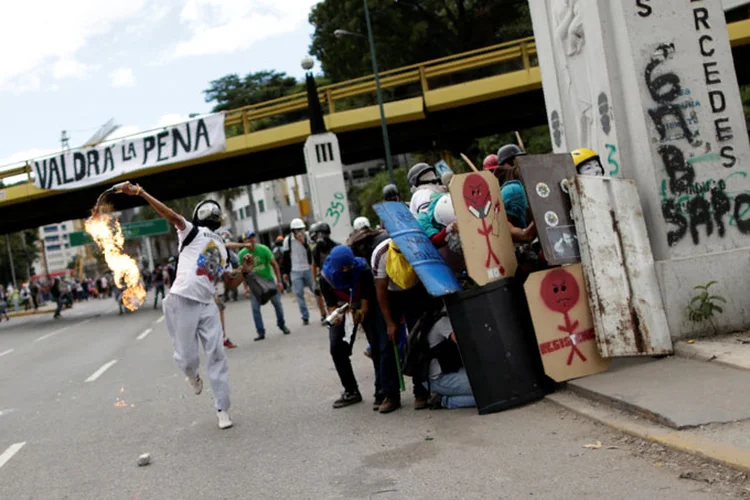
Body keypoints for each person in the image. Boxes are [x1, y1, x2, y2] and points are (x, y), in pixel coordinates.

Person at [119, 181, 248, 430]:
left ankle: (223, 409)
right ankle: (192, 375)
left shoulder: (222, 248)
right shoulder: (191, 232)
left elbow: (230, 283)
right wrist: (141, 192)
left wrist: (244, 271)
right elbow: (171, 215)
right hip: (181, 301)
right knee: (187, 359)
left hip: (208, 304)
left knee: (217, 356)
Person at [320, 246, 389, 410]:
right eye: (342, 269)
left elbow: (365, 303)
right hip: (343, 309)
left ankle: (382, 390)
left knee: (378, 345)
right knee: (337, 349)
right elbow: (330, 305)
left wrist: (360, 314)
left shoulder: (362, 269)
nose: (346, 271)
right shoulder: (326, 278)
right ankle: (351, 391)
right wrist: (336, 317)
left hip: (364, 306)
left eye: (348, 267)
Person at [371, 237, 432, 411]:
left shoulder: (417, 246)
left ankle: (421, 391)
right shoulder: (381, 254)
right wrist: (390, 323)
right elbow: (381, 291)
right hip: (391, 295)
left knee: (418, 340)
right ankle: (391, 395)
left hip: (415, 290)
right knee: (388, 345)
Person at [405, 304, 475, 410]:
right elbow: (466, 346)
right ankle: (444, 401)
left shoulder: (435, 316)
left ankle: (443, 395)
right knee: (486, 391)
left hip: (443, 375)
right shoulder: (444, 322)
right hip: (439, 379)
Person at [236, 230, 289, 340]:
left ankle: (282, 325)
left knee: (277, 304)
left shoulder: (263, 249)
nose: (251, 240)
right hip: (254, 285)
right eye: (248, 238)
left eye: (253, 237)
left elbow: (274, 265)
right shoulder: (241, 254)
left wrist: (279, 281)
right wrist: (245, 288)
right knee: (255, 309)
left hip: (268, 281)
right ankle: (260, 332)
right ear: (244, 241)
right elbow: (243, 273)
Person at [281, 218, 316, 325]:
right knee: (299, 293)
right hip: (295, 270)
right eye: (297, 230)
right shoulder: (288, 240)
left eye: (301, 229)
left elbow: (313, 250)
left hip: (308, 268)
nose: (299, 232)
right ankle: (305, 316)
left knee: (316, 290)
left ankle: (324, 313)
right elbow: (285, 257)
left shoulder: (308, 236)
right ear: (293, 231)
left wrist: (304, 242)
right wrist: (285, 272)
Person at [311, 222, 339, 325]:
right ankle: (328, 316)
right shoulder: (315, 250)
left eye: (322, 234)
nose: (320, 237)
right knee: (323, 295)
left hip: (337, 274)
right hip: (324, 277)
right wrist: (315, 281)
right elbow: (314, 265)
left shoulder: (336, 246)